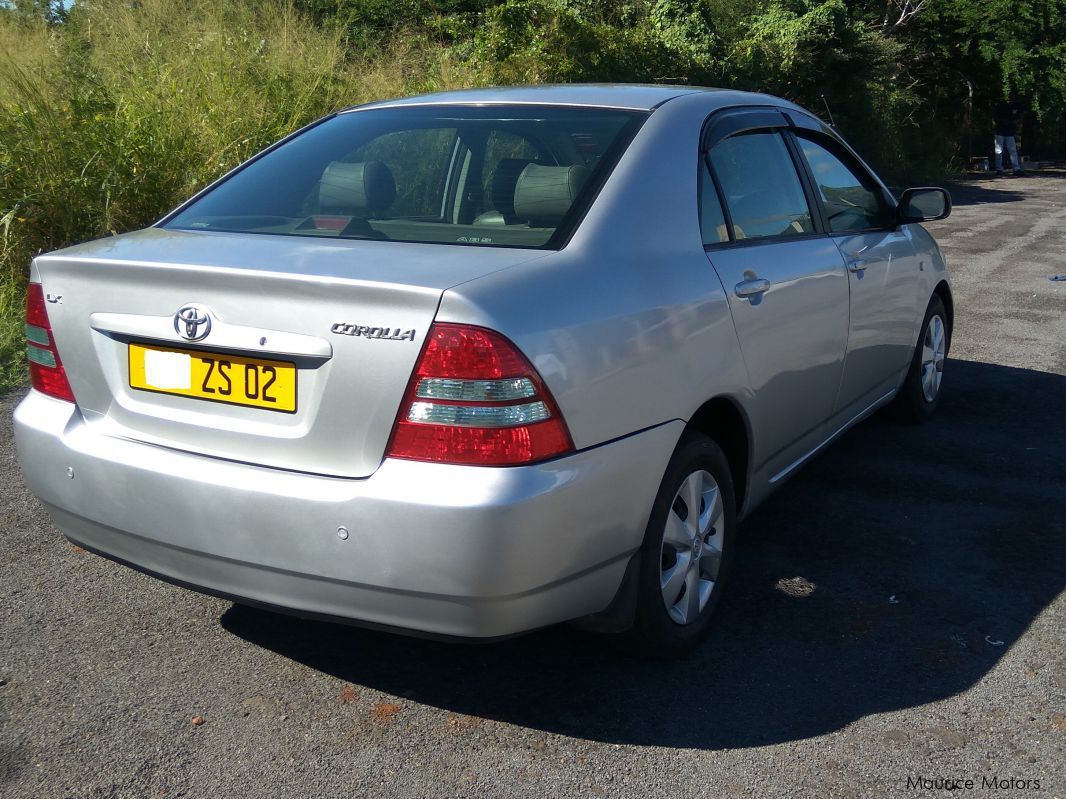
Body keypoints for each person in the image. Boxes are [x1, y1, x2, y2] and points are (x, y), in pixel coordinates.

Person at [993, 96, 1024, 176]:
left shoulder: (1015, 106)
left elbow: (1018, 117)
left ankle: (1016, 169)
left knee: (1012, 150)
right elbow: (996, 118)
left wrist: (1013, 122)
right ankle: (999, 169)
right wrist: (1004, 122)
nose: (1011, 99)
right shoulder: (1001, 106)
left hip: (1010, 131)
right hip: (1000, 130)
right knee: (999, 151)